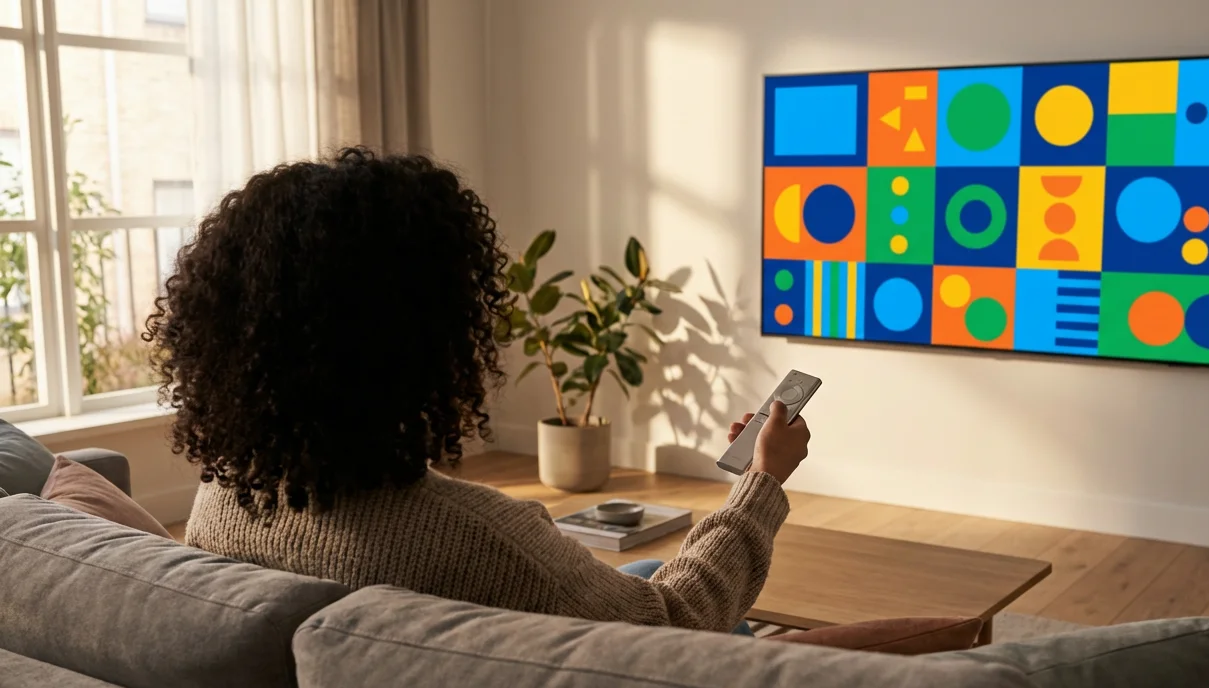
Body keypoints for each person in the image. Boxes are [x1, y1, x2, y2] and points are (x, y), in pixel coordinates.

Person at [150, 147, 811, 634]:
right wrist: (761, 484)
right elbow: (676, 625)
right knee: (719, 621)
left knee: (634, 574)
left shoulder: (217, 503)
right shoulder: (481, 542)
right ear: (429, 336)